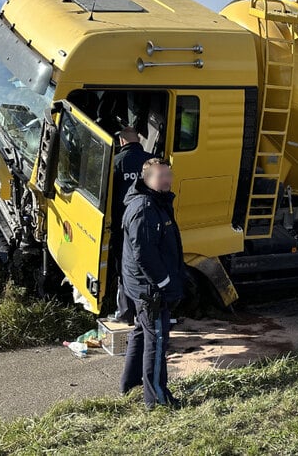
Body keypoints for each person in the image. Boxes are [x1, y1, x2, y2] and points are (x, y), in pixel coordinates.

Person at [119, 158, 187, 408]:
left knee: (141, 333)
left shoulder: (155, 202)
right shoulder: (144, 208)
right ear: (147, 179)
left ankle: (130, 385)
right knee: (157, 340)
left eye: (169, 174)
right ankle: (157, 399)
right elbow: (144, 253)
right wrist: (164, 282)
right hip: (150, 289)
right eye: (161, 176)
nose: (167, 180)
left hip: (143, 286)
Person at [110, 128, 153, 323]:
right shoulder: (152, 161)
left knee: (125, 268)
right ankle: (147, 312)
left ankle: (126, 313)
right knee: (148, 267)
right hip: (150, 222)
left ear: (121, 141)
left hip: (123, 224)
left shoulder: (116, 162)